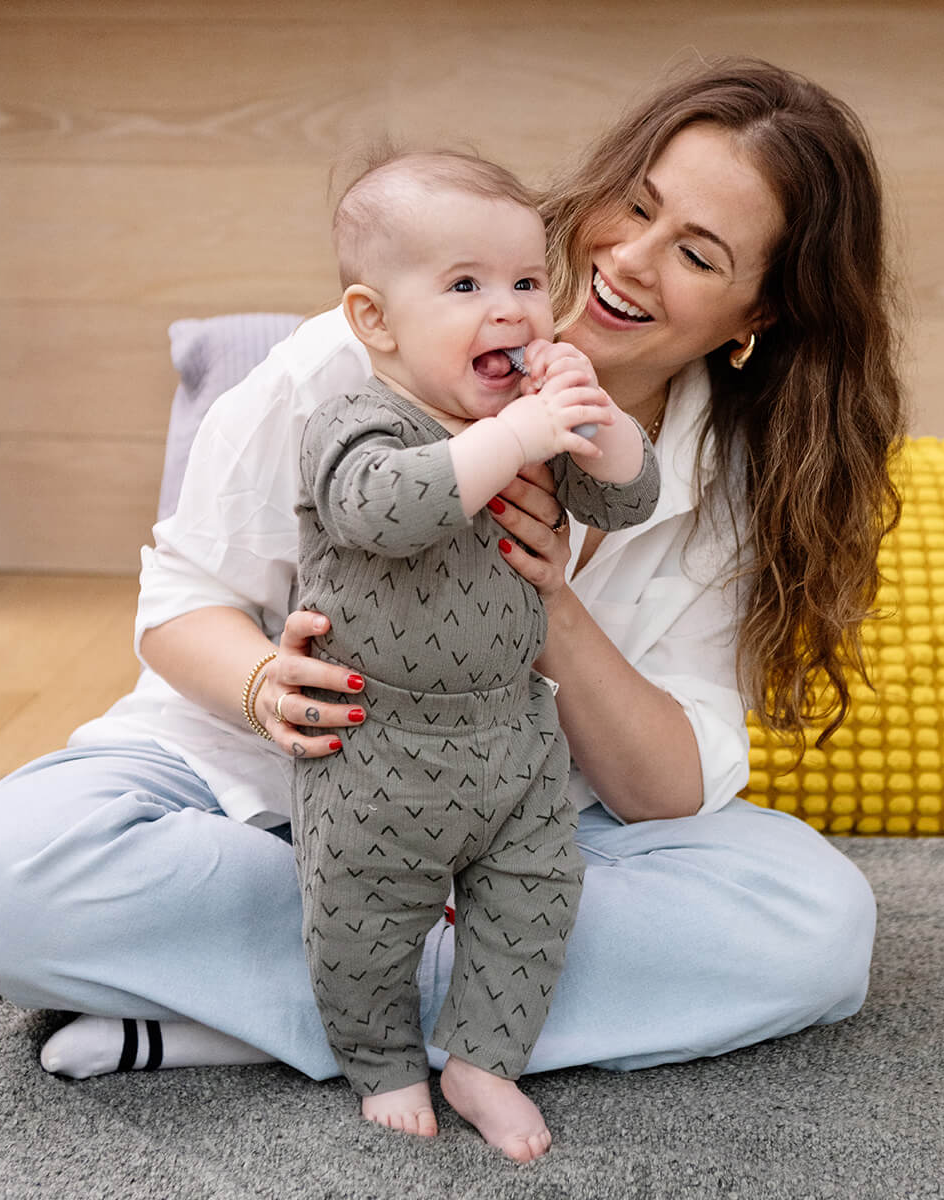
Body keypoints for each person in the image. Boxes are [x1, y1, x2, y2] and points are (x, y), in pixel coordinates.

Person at [0, 54, 903, 1148]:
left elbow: (670, 789)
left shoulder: (722, 470)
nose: (627, 259)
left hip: (518, 835)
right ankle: (427, 1010)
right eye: (637, 203)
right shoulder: (355, 357)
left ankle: (255, 1014)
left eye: (696, 253)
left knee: (818, 927)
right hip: (267, 802)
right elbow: (182, 601)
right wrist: (258, 684)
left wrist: (554, 605)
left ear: (752, 313)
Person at [289, 149, 658, 1158]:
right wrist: (522, 430)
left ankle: (484, 1058)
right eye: (465, 286)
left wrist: (597, 421)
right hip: (377, 749)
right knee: (359, 918)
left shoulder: (528, 426)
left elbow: (625, 499)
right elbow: (387, 507)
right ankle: (382, 1060)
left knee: (537, 900)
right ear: (376, 321)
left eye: (528, 282)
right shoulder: (354, 421)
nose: (511, 310)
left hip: (514, 738)